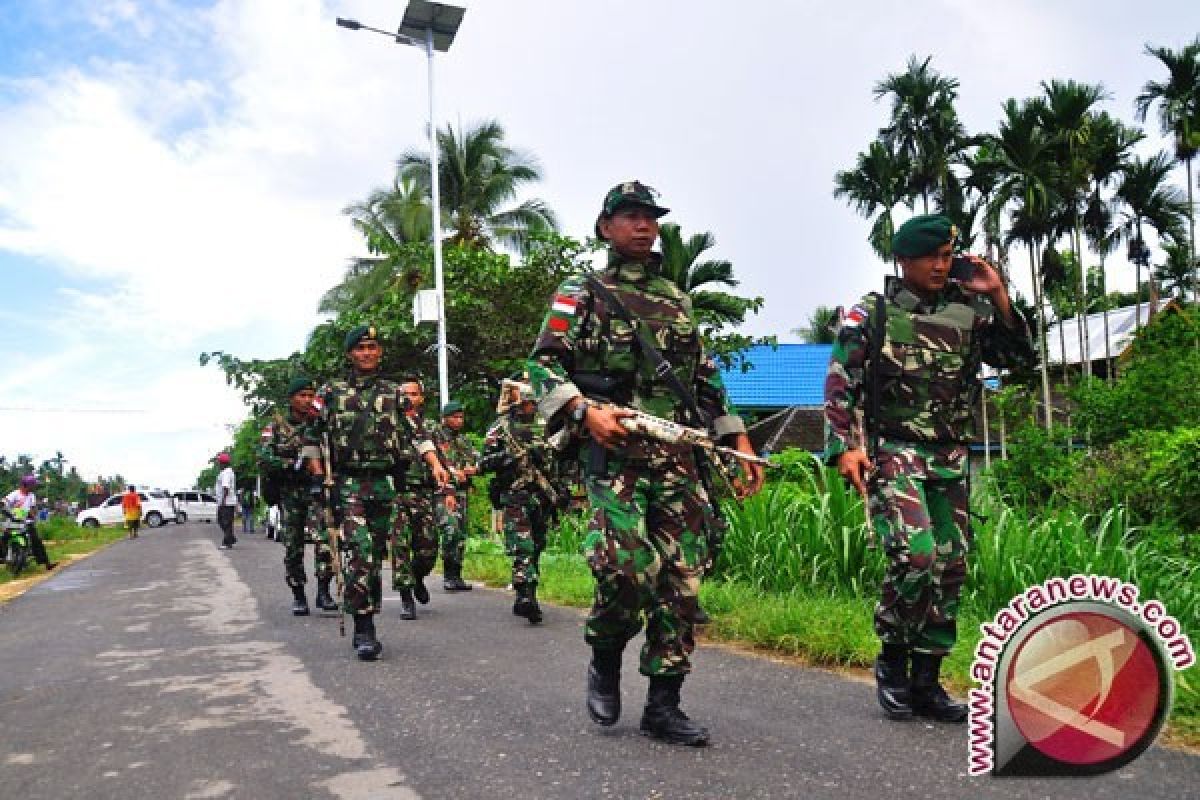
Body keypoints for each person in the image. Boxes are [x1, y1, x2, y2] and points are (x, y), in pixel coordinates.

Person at [527, 181, 764, 746]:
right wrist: (583, 411)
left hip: (678, 458)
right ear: (606, 226)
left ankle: (664, 703)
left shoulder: (675, 298)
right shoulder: (580, 291)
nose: (643, 226)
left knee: (682, 582)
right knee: (627, 570)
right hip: (616, 459)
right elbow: (541, 367)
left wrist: (740, 440)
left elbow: (703, 379)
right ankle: (604, 654)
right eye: (630, 216)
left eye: (650, 217)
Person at [823, 214, 1036, 723]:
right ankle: (892, 664)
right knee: (916, 555)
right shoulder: (869, 314)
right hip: (893, 450)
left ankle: (928, 679)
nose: (941, 265)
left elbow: (1019, 356)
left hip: (949, 455)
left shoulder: (968, 314)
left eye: (948, 255)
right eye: (931, 257)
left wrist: (999, 295)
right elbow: (840, 383)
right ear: (904, 259)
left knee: (951, 561)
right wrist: (847, 447)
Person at [305, 324, 449, 660]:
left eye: (372, 347)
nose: (366, 353)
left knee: (380, 553)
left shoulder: (394, 393)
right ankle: (364, 626)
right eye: (360, 348)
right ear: (349, 354)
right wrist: (316, 477)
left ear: (379, 352)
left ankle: (370, 610)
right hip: (348, 483)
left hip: (385, 483)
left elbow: (417, 434)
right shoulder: (329, 392)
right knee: (361, 552)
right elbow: (311, 438)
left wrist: (435, 464)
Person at [258, 376, 337, 616]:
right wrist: (292, 465)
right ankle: (299, 595)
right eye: (301, 395)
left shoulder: (321, 425)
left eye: (310, 395)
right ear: (291, 399)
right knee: (293, 546)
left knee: (325, 541)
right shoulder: (276, 428)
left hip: (318, 490)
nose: (306, 400)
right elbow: (264, 458)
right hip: (290, 494)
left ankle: (323, 591)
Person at [479, 383, 556, 623]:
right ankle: (526, 596)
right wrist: (510, 457)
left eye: (532, 402)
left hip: (543, 496)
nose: (529, 407)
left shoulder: (548, 425)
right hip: (515, 494)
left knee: (538, 544)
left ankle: (526, 592)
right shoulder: (501, 428)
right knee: (522, 546)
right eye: (524, 403)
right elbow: (484, 462)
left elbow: (563, 457)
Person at [388, 379, 453, 620]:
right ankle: (406, 595)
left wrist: (448, 490)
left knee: (428, 548)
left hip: (422, 493)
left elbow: (444, 461)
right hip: (395, 492)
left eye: (414, 394)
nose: (409, 398)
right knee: (400, 546)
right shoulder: (390, 422)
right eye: (405, 394)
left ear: (421, 398)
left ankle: (417, 578)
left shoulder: (431, 428)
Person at [433, 400, 478, 592]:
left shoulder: (464, 441)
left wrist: (473, 469)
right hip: (443, 490)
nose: (459, 421)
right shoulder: (436, 436)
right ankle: (448, 574)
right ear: (444, 418)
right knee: (450, 529)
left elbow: (476, 461)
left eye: (461, 417)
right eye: (454, 417)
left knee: (460, 533)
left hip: (461, 491)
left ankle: (457, 574)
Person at [1, 475, 57, 570]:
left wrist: (33, 516)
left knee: (37, 542)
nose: (34, 487)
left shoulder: (31, 496)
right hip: (13, 521)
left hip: (27, 522)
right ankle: (3, 556)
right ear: (26, 485)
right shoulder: (15, 494)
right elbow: (5, 501)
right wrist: (3, 504)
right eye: (33, 485)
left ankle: (47, 563)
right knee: (4, 537)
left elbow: (32, 508)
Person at [215, 453, 237, 550]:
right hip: (227, 501)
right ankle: (230, 539)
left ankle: (227, 542)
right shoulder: (226, 472)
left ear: (223, 463)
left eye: (219, 462)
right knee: (224, 522)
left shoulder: (226, 473)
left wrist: (223, 501)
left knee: (224, 522)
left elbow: (225, 488)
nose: (218, 464)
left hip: (226, 502)